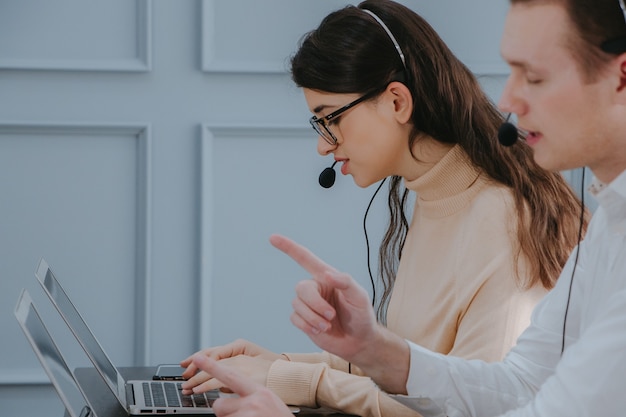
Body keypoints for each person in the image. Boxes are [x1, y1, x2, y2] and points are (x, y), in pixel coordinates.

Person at [200, 0, 626, 415]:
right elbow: (515, 384)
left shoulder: (503, 217)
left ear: (398, 102)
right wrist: (294, 364)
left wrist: (296, 383)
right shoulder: (607, 221)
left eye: (533, 77)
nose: (508, 99)